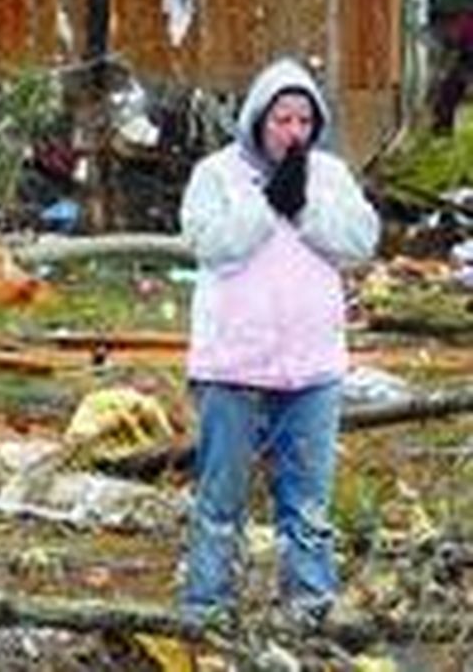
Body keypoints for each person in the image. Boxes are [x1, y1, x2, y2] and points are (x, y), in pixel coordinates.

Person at [178, 57, 379, 626]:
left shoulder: (331, 176)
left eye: (303, 120)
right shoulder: (217, 175)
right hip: (233, 362)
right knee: (221, 497)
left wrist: (305, 206)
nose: (293, 132)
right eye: (281, 119)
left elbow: (360, 240)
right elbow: (209, 243)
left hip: (312, 365)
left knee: (307, 500)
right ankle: (208, 606)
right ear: (257, 119)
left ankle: (311, 607)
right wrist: (267, 204)